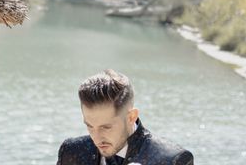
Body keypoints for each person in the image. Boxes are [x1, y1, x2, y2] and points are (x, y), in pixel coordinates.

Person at [57, 69, 193, 165]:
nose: (97, 138)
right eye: (90, 126)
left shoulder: (173, 160)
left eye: (106, 127)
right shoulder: (71, 151)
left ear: (131, 117)